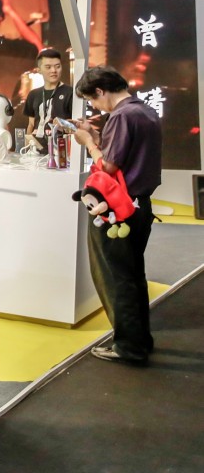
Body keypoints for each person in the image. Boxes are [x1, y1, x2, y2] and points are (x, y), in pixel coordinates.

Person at [69, 66, 162, 365]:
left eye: (92, 100)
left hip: (116, 209)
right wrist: (97, 134)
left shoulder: (122, 116)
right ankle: (139, 340)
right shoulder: (144, 111)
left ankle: (129, 347)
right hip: (140, 206)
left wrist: (89, 143)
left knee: (116, 277)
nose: (94, 107)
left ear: (100, 91)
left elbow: (108, 167)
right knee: (133, 275)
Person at [23, 48, 74, 153]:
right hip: (35, 151)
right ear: (39, 70)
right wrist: (26, 149)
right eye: (48, 67)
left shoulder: (71, 93)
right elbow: (31, 125)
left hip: (60, 152)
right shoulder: (33, 94)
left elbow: (75, 127)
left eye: (57, 66)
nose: (53, 71)